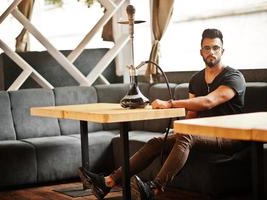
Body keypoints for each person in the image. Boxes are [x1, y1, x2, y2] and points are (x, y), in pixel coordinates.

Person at [78, 28, 247, 200]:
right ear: (201, 51)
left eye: (215, 48)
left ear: (222, 51)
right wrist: (179, 130)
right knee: (156, 142)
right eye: (207, 48)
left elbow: (208, 102)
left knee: (187, 136)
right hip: (203, 133)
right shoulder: (196, 79)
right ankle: (108, 182)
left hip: (230, 136)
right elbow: (193, 114)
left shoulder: (234, 77)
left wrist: (170, 103)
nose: (211, 52)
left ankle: (154, 188)